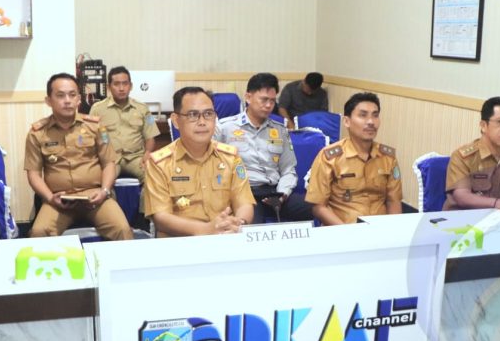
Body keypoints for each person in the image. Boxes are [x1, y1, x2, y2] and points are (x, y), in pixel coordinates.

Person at [24, 72, 133, 240]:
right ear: (49, 101)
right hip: (59, 200)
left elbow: (109, 164)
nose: (67, 100)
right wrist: (50, 198)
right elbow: (34, 174)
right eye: (60, 95)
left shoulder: (95, 127)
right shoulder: (37, 133)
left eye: (72, 95)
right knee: (39, 232)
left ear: (79, 99)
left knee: (122, 229)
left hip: (95, 197)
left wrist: (104, 191)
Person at [144, 87, 255, 237]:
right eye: (193, 115)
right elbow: (161, 218)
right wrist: (206, 229)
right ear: (176, 120)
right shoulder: (159, 163)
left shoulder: (231, 157)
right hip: (180, 243)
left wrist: (238, 223)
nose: (202, 122)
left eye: (208, 114)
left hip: (226, 239)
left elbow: (244, 203)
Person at [215, 73, 314, 224]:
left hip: (275, 192)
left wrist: (283, 194)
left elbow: (288, 170)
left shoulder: (280, 130)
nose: (268, 105)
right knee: (253, 226)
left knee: (319, 208)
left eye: (272, 101)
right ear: (248, 97)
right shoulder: (225, 128)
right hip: (245, 194)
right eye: (264, 100)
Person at [305, 92, 402, 225]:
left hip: (380, 229)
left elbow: (394, 201)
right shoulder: (329, 157)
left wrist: (394, 230)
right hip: (342, 229)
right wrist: (348, 232)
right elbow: (318, 207)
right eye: (363, 115)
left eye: (375, 115)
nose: (371, 122)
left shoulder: (387, 157)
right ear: (347, 121)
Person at [89, 66, 160, 181]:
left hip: (136, 158)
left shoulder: (143, 108)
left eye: (125, 84)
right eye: (116, 84)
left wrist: (147, 153)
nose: (121, 88)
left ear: (130, 86)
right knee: (102, 181)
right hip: (110, 160)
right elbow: (89, 137)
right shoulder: (97, 109)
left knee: (154, 178)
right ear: (108, 87)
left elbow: (150, 137)